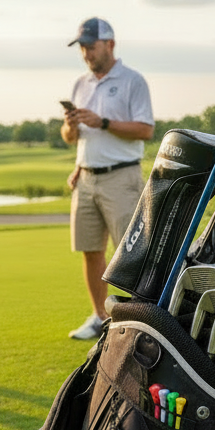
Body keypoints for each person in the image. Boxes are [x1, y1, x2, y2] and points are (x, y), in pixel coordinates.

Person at [60, 17, 154, 340]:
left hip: (121, 176)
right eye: (82, 48)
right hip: (85, 178)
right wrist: (72, 125)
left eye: (91, 46)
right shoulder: (80, 84)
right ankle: (100, 317)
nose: (86, 53)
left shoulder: (132, 81)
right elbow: (70, 137)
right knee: (90, 250)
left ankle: (139, 322)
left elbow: (145, 129)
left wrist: (102, 122)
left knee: (130, 253)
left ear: (109, 44)